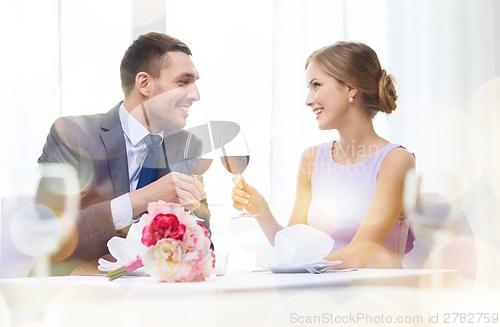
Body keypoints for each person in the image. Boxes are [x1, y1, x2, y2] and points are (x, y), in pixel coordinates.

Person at [232, 42, 415, 268]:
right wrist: (261, 211)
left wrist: (293, 266)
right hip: (323, 293)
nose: (308, 100)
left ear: (351, 87)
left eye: (316, 85)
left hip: (379, 298)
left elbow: (360, 253)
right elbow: (293, 249)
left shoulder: (395, 160)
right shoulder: (311, 159)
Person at [38, 32, 210, 267]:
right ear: (144, 84)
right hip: (74, 292)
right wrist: (141, 199)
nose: (195, 95)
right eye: (183, 82)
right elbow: (46, 235)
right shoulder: (72, 135)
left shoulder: (187, 146)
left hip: (155, 296)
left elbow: (203, 246)